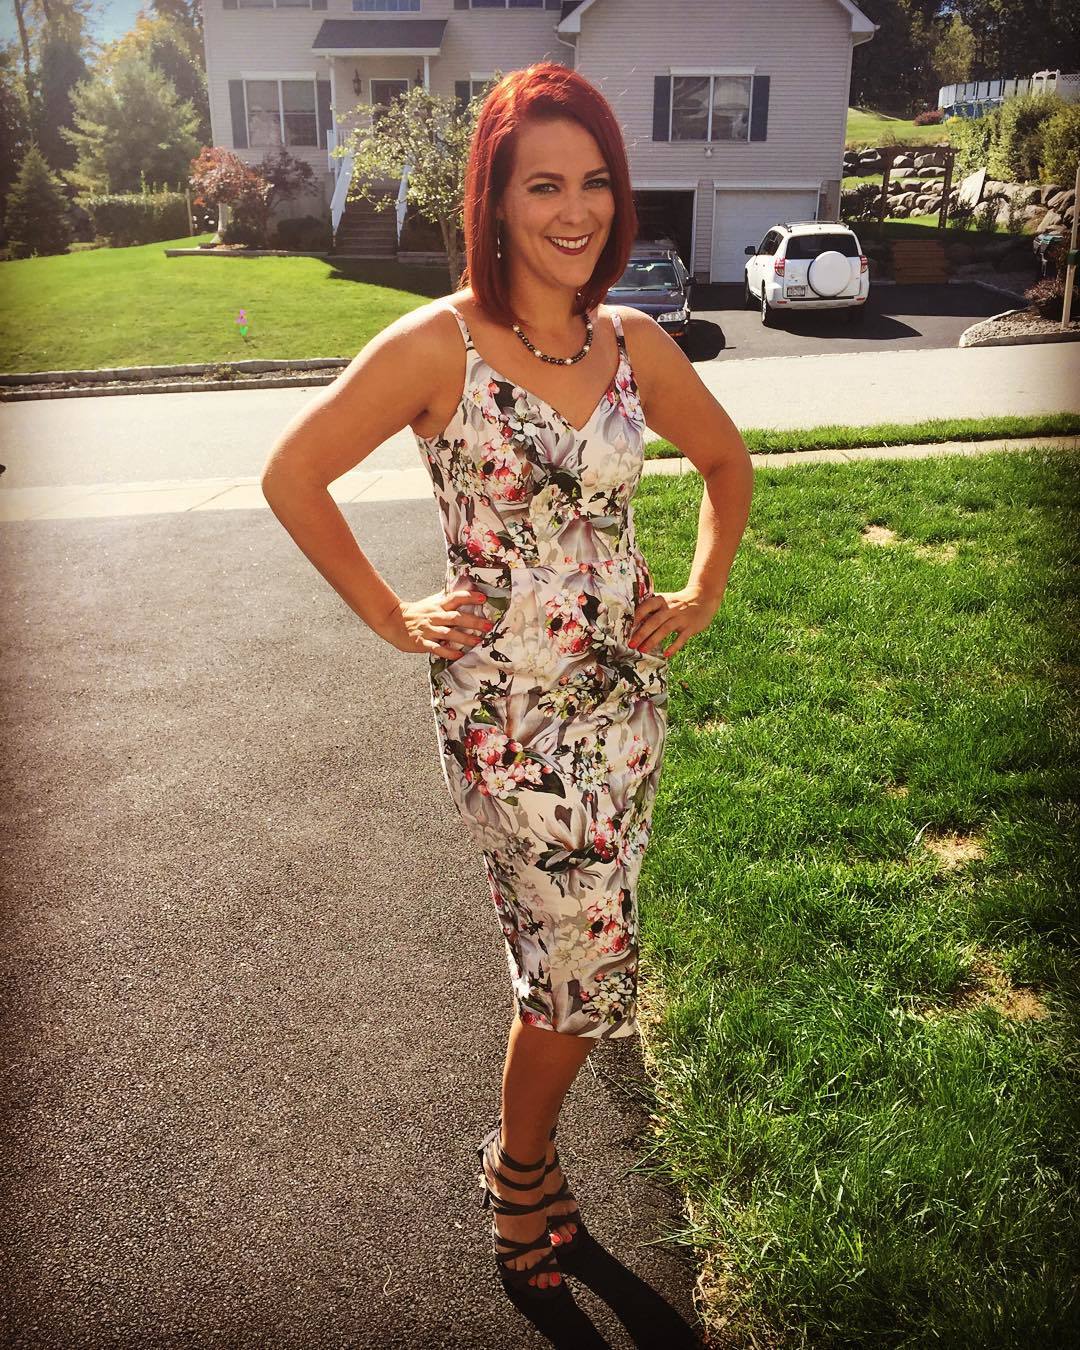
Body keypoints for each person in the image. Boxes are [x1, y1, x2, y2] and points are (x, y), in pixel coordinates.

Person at [261, 61, 753, 1299]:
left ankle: (527, 1157)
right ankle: (518, 1169)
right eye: (544, 185)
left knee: (570, 955)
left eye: (594, 182)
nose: (575, 210)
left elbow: (727, 462)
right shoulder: (437, 346)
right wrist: (388, 612)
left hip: (623, 706)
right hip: (506, 717)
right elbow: (292, 474)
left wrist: (700, 589)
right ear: (495, 196)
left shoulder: (633, 342)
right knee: (586, 968)